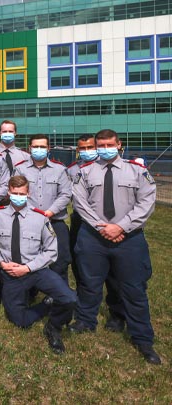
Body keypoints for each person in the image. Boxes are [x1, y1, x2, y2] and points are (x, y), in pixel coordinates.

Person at [70, 129, 160, 364]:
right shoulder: (84, 172)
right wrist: (103, 227)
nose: (104, 148)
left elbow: (146, 202)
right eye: (100, 144)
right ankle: (85, 321)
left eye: (110, 144)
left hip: (129, 238)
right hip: (93, 237)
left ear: (119, 145)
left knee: (133, 288)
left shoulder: (138, 171)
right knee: (89, 283)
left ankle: (142, 337)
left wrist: (121, 227)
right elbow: (80, 203)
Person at [0, 176, 76, 354]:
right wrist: (1, 263)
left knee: (69, 298)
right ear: (9, 192)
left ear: (28, 193)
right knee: (20, 321)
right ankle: (46, 304)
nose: (18, 196)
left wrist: (27, 268)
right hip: (10, 273)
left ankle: (53, 326)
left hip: (35, 270)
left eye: (22, 193)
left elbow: (51, 251)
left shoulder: (40, 218)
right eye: (15, 193)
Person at [66, 134, 124, 331]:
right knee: (83, 268)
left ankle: (117, 313)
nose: (87, 151)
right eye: (82, 148)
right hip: (81, 223)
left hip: (112, 225)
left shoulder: (109, 167)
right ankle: (85, 314)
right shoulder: (72, 170)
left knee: (114, 273)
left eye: (91, 147)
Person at [12, 134, 72, 282]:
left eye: (42, 147)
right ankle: (30, 294)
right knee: (28, 259)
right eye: (35, 147)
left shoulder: (60, 169)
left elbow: (65, 194)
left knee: (60, 261)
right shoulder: (20, 169)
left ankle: (59, 298)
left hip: (54, 222)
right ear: (30, 148)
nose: (39, 149)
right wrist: (35, 215)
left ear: (48, 148)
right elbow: (17, 193)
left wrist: (49, 212)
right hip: (28, 223)